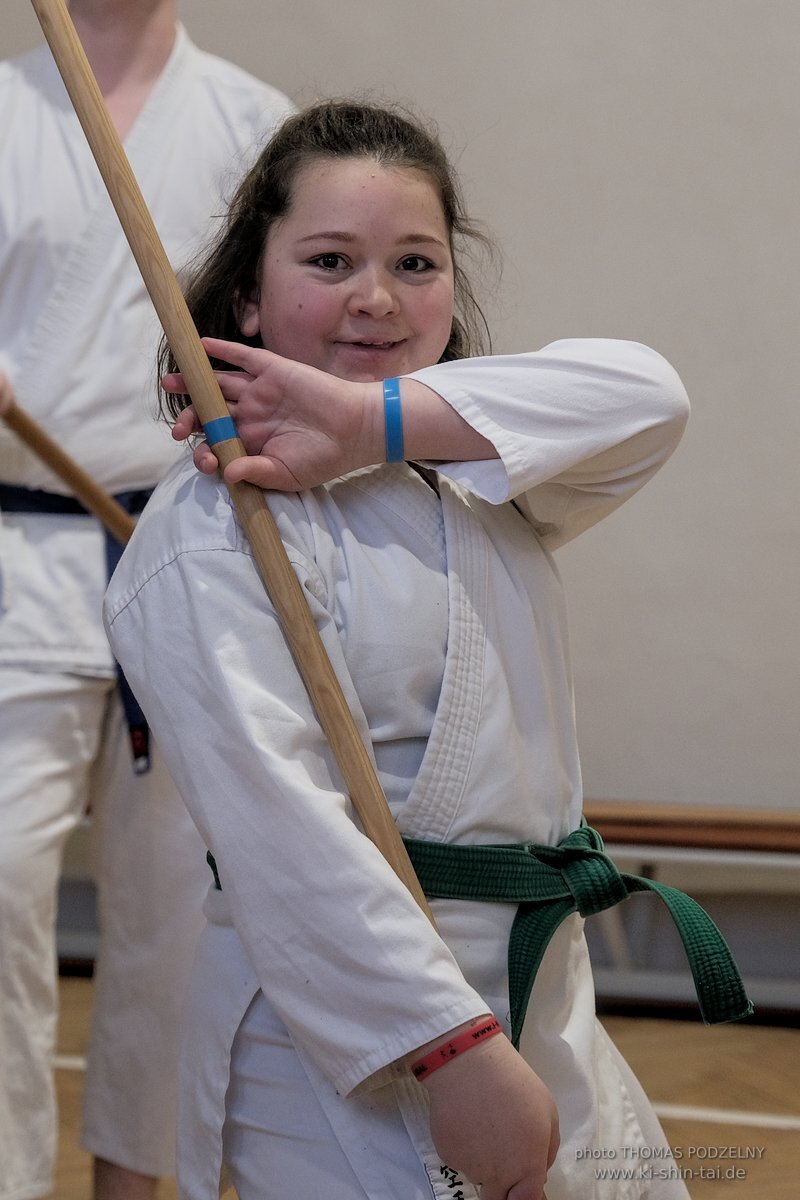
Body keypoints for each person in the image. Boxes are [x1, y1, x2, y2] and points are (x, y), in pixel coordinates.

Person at [103, 100, 745, 1200]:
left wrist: (365, 426)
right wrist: (447, 1051)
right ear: (247, 296)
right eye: (328, 259)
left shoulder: (469, 474)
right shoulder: (215, 524)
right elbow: (280, 837)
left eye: (414, 261)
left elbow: (648, 396)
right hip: (356, 1036)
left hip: (541, 995)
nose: (375, 296)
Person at [0, 3, 293, 1199]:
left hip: (189, 552)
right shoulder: (7, 104)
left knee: (178, 917)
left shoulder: (251, 123)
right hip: (16, 557)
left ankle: (139, 1183)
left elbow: (285, 335)